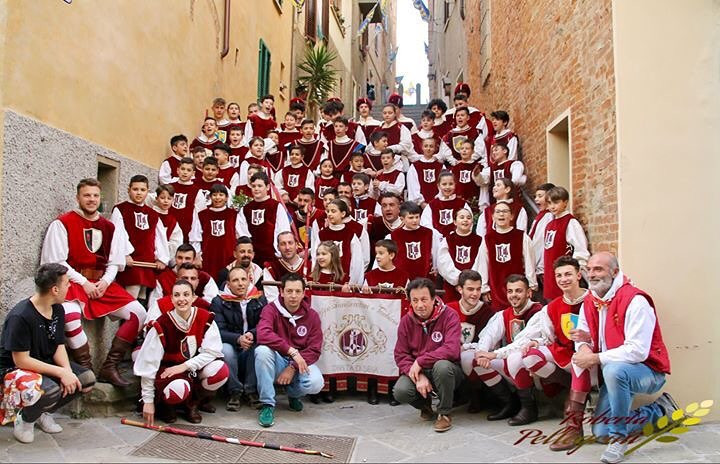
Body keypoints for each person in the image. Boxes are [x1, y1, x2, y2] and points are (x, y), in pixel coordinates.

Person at [566, 252, 676, 462]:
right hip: (614, 374)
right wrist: (583, 347)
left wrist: (595, 358)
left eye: (598, 269)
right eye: (589, 269)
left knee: (614, 370)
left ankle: (619, 440)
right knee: (600, 432)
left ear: (614, 272)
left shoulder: (635, 300)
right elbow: (581, 334)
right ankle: (662, 410)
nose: (592, 274)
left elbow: (637, 350)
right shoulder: (589, 300)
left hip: (648, 371)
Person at [40, 178, 147, 387]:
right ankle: (86, 369)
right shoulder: (63, 223)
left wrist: (106, 282)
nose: (91, 199)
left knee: (138, 313)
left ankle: (110, 366)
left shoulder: (109, 227)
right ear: (78, 197)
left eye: (95, 195)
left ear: (100, 198)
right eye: (87, 195)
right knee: (68, 315)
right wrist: (83, 282)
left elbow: (116, 261)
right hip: (72, 282)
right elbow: (56, 261)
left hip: (101, 283)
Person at [0, 264, 95, 443]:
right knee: (49, 390)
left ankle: (44, 412)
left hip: (43, 363)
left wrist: (67, 372)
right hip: (14, 370)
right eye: (67, 283)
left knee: (86, 378)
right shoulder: (20, 316)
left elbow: (59, 345)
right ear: (55, 289)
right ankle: (25, 420)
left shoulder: (57, 309)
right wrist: (61, 373)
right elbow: (21, 360)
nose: (70, 287)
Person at [135, 279, 229, 425]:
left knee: (219, 371)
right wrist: (147, 401)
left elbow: (212, 352)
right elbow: (149, 363)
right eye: (177, 295)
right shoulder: (162, 324)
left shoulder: (205, 318)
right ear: (171, 299)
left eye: (186, 294)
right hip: (168, 371)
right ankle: (168, 407)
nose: (182, 299)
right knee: (178, 387)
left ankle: (193, 405)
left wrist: (185, 366)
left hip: (190, 369)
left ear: (193, 297)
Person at [467, 274, 543, 424]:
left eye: (518, 291)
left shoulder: (539, 312)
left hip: (534, 367)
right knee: (475, 361)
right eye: (510, 291)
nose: (513, 295)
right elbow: (488, 335)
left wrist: (493, 354)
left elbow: (522, 342)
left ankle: (529, 408)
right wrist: (482, 353)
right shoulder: (504, 314)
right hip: (509, 361)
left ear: (529, 293)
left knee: (516, 358)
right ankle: (509, 403)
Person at [254, 273, 324, 427]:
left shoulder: (312, 316)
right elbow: (263, 334)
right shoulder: (270, 309)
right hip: (278, 359)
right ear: (281, 292)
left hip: (299, 362)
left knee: (316, 383)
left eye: (298, 291)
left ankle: (293, 395)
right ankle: (267, 404)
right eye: (289, 291)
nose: (293, 296)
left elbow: (314, 349)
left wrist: (293, 366)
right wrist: (291, 351)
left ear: (304, 293)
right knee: (262, 352)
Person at [393, 278, 462, 433]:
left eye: (424, 299)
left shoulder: (450, 316)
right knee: (400, 391)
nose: (420, 305)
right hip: (420, 371)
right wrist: (418, 375)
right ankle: (425, 406)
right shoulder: (406, 321)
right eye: (415, 300)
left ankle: (444, 413)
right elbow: (400, 354)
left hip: (448, 370)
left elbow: (451, 349)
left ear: (433, 299)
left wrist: (421, 361)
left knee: (442, 367)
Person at [211, 266, 267, 411]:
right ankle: (235, 391)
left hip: (251, 344)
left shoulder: (259, 298)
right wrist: (238, 339)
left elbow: (265, 324)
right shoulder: (219, 301)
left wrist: (252, 334)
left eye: (243, 279)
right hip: (232, 344)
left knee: (259, 349)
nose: (240, 283)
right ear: (228, 284)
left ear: (249, 280)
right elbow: (218, 331)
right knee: (225, 350)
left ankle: (251, 391)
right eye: (235, 280)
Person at [111, 175, 170, 298]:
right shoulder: (121, 209)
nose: (139, 193)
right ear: (129, 190)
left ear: (147, 192)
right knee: (131, 295)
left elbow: (159, 237)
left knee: (143, 296)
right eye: (135, 189)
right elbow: (117, 234)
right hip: (131, 263)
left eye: (142, 190)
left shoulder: (153, 214)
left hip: (147, 263)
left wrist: (161, 258)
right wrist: (125, 254)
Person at [478, 201, 537, 311]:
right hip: (496, 287)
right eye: (498, 212)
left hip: (517, 287)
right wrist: (484, 288)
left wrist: (531, 285)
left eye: (505, 211)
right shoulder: (487, 239)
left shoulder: (521, 237)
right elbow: (483, 264)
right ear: (493, 216)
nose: (501, 214)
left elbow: (529, 262)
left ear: (511, 216)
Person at [542, 186, 590, 301]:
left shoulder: (570, 223)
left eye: (556, 202)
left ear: (565, 203)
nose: (552, 206)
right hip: (551, 276)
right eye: (549, 203)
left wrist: (578, 271)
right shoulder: (549, 225)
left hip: (565, 277)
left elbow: (581, 250)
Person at [236, 172, 292, 266]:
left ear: (268, 187)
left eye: (260, 186)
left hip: (272, 255)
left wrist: (279, 251)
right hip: (252, 257)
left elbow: (283, 230)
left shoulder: (276, 206)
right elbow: (242, 233)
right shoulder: (246, 209)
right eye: (253, 186)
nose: (256, 189)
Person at [189, 183, 239, 281]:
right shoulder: (202, 215)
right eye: (214, 195)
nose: (217, 198)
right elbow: (195, 237)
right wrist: (197, 255)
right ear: (210, 197)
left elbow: (240, 235)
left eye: (221, 195)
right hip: (208, 256)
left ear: (226, 197)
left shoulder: (233, 214)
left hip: (228, 255)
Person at [148, 244, 219, 309]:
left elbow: (213, 304)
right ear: (175, 258)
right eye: (180, 258)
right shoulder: (163, 278)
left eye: (187, 258)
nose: (183, 261)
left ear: (194, 260)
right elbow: (153, 305)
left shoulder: (205, 278)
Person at [311, 200, 364, 285]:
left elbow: (356, 261)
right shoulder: (322, 234)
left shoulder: (350, 234)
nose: (329, 214)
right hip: (323, 281)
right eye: (328, 211)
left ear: (342, 214)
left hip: (344, 282)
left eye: (333, 211)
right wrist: (315, 277)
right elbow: (315, 257)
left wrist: (352, 283)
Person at [436, 209, 483, 300]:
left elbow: (480, 263)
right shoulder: (448, 240)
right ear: (455, 222)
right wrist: (459, 280)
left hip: (473, 287)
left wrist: (470, 282)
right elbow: (443, 263)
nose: (465, 220)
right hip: (453, 286)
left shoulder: (479, 240)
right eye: (462, 217)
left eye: (468, 218)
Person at [145, 263, 213, 323]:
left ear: (197, 282)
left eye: (193, 278)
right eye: (185, 278)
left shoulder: (205, 306)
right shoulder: (160, 305)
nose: (189, 281)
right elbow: (151, 331)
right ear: (177, 280)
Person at [390, 202, 440, 281]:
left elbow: (436, 251)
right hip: (403, 277)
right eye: (411, 217)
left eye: (417, 217)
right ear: (402, 219)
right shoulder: (394, 235)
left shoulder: (429, 233)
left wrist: (436, 267)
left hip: (425, 276)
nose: (415, 220)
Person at [420, 171, 471, 238]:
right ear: (438, 186)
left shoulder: (462, 204)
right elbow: (426, 224)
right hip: (437, 242)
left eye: (450, 184)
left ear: (455, 184)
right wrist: (438, 236)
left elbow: (468, 221)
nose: (447, 187)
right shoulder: (432, 205)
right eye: (444, 184)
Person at [529, 182, 556, 301]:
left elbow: (544, 244)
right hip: (537, 268)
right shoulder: (539, 217)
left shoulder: (550, 217)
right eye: (535, 196)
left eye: (540, 196)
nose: (536, 199)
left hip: (544, 268)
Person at [262, 231, 306, 302]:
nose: (287, 247)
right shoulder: (271, 268)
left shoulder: (310, 267)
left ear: (297, 245)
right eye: (283, 244)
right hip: (279, 312)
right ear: (278, 247)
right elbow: (272, 299)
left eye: (290, 243)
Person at [167, 157, 200, 239]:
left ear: (193, 173)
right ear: (178, 170)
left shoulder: (197, 192)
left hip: (186, 231)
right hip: (169, 227)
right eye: (183, 169)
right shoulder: (169, 187)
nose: (185, 172)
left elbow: (199, 215)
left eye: (188, 170)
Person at [407, 138, 444, 207]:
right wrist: (421, 202)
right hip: (420, 205)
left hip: (438, 204)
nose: (428, 149)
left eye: (431, 146)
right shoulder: (415, 166)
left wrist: (437, 199)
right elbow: (413, 185)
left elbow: (443, 184)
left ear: (435, 148)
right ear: (422, 147)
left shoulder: (440, 166)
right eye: (426, 146)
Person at [152, 185, 184, 260]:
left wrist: (164, 255)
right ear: (156, 198)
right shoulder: (150, 215)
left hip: (164, 258)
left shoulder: (172, 221)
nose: (166, 201)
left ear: (173, 200)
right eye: (162, 198)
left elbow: (176, 242)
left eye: (169, 198)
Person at [450, 140, 483, 208]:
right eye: (462, 149)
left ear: (473, 151)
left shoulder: (477, 166)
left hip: (473, 200)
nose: (464, 150)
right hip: (458, 200)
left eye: (467, 148)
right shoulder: (455, 168)